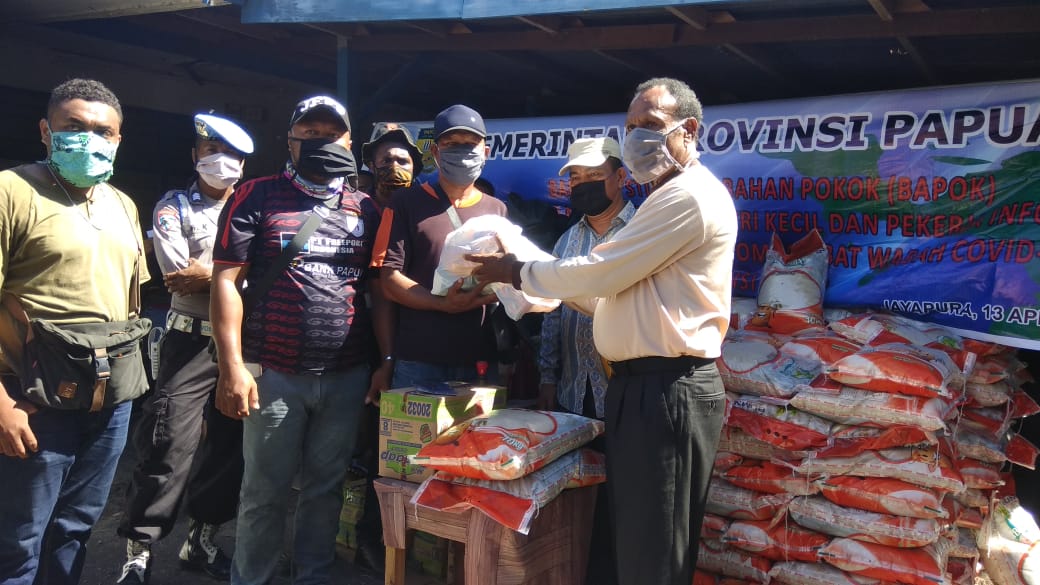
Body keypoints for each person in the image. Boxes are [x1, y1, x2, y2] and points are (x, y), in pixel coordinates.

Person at [468, 77, 736, 585]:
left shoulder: (688, 196)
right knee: (635, 542)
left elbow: (602, 273)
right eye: (631, 127)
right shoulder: (664, 197)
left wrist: (518, 271)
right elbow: (609, 298)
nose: (637, 137)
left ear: (689, 130)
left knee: (653, 553)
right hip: (638, 388)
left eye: (651, 125)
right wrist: (532, 290)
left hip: (668, 388)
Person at [210, 95, 386, 585]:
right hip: (274, 373)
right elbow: (226, 281)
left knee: (325, 488)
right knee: (264, 492)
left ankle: (313, 574)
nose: (320, 142)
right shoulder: (255, 195)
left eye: (331, 134)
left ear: (348, 142)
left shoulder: (366, 208)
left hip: (346, 374)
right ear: (289, 140)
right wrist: (232, 366)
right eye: (309, 134)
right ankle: (253, 578)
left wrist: (384, 361)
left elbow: (376, 290)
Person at [0, 78, 150, 585]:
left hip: (109, 401)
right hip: (32, 398)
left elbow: (129, 304)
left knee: (76, 528)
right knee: (19, 539)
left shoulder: (122, 204)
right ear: (46, 131)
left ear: (118, 140)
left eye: (103, 131)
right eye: (74, 126)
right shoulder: (11, 191)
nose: (89, 138)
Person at [116, 113, 254, 585]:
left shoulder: (254, 207)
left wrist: (213, 273)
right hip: (189, 342)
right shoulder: (173, 207)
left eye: (232, 155)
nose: (222, 161)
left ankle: (201, 540)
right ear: (195, 156)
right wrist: (239, 273)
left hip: (241, 344)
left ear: (243, 164)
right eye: (212, 151)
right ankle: (139, 551)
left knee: (229, 448)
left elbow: (266, 277)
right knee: (168, 443)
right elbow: (178, 274)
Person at [371, 104, 506, 388]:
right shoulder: (404, 204)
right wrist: (442, 304)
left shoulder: (497, 209)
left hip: (479, 360)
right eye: (451, 144)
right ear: (435, 152)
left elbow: (505, 277)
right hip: (419, 361)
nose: (462, 151)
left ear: (485, 152)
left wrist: (490, 294)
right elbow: (389, 279)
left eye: (470, 144)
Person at [538, 137, 634, 419]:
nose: (583, 184)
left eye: (594, 175)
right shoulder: (565, 241)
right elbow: (552, 314)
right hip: (573, 392)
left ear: (620, 177)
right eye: (576, 177)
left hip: (629, 396)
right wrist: (547, 377)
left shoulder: (641, 233)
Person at [361, 122, 423, 209]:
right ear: (372, 166)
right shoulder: (355, 208)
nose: (395, 168)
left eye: (402, 161)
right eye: (386, 161)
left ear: (414, 167)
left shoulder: (428, 208)